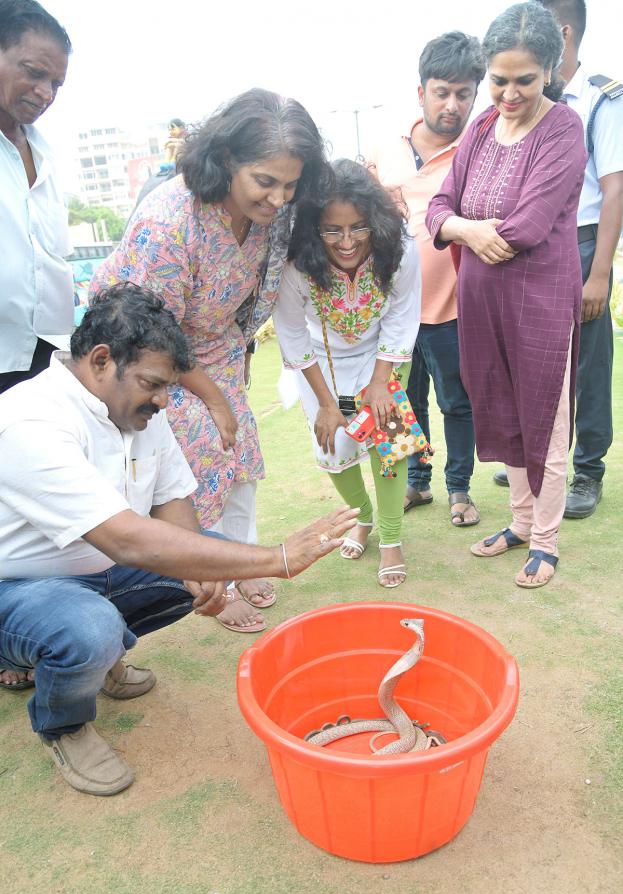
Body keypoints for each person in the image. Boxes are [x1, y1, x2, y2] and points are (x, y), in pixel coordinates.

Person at [0, 283, 358, 795]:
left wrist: (201, 573)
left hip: (90, 573)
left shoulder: (136, 410)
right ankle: (65, 722)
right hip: (14, 590)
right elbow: (127, 540)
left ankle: (99, 661)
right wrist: (276, 559)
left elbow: (171, 503)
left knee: (200, 561)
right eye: (153, 383)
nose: (165, 400)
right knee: (87, 628)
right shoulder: (30, 420)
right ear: (102, 360)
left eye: (169, 385)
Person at [90, 88, 329, 631]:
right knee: (197, 467)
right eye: (264, 182)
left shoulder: (276, 217)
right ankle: (208, 582)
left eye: (290, 185)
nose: (277, 199)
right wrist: (213, 397)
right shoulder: (169, 221)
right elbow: (149, 332)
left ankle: (242, 561)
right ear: (226, 161)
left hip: (216, 350)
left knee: (240, 461)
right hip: (143, 356)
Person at [426, 1, 587, 589]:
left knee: (545, 417)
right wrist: (466, 228)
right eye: (498, 81)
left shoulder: (563, 128)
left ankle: (546, 542)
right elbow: (439, 208)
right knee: (504, 411)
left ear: (549, 70)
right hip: (481, 299)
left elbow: (532, 223)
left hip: (540, 301)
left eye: (525, 80)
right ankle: (520, 523)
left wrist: (465, 225)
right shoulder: (482, 128)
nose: (509, 94)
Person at [494, 0, 623, 520]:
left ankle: (587, 469)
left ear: (561, 33)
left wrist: (598, 275)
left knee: (588, 365)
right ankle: (537, 460)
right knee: (532, 363)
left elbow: (614, 192)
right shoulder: (523, 104)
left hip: (583, 242)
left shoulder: (599, 101)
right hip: (533, 249)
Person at [273, 159, 421, 588]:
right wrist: (325, 403)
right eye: (332, 230)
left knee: (387, 447)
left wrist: (381, 383)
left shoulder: (400, 248)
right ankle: (366, 518)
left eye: (358, 227)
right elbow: (291, 332)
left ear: (375, 219)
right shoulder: (298, 261)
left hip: (385, 358)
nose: (346, 241)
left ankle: (391, 538)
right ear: (314, 229)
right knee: (334, 451)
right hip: (322, 366)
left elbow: (401, 316)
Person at [368, 31, 485, 528]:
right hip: (392, 312)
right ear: (422, 93)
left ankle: (459, 489)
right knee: (402, 401)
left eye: (464, 94)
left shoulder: (479, 152)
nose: (452, 105)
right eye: (442, 92)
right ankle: (417, 482)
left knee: (456, 401)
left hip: (452, 307)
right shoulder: (385, 152)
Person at [0, 0, 73, 394]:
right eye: (33, 73)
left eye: (56, 83)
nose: (45, 92)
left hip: (45, 362)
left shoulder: (44, 153)